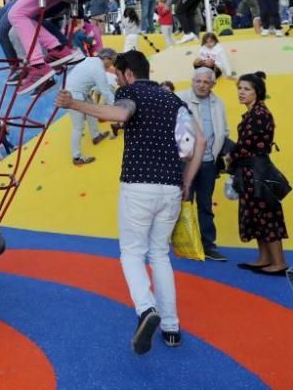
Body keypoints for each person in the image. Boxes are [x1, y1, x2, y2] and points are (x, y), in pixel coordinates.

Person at [56, 50, 205, 353]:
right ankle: (171, 326)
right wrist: (186, 182)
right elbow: (199, 142)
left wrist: (73, 103)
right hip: (172, 188)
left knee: (132, 253)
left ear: (127, 74)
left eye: (118, 74)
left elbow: (121, 114)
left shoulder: (130, 91)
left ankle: (146, 308)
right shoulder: (173, 99)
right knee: (160, 254)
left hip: (138, 185)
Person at [227, 72, 287, 275]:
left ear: (257, 92)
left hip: (257, 171)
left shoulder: (259, 114)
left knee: (267, 214)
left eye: (247, 89)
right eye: (240, 88)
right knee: (256, 214)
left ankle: (278, 263)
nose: (241, 92)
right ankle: (264, 259)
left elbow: (244, 146)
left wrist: (228, 159)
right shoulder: (254, 112)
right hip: (251, 170)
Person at [178, 68, 229, 262]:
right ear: (192, 81)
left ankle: (208, 245)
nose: (201, 85)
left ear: (213, 84)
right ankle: (184, 243)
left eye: (206, 82)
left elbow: (223, 130)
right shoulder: (180, 98)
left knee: (205, 205)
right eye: (198, 81)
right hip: (186, 162)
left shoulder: (218, 103)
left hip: (208, 163)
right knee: (182, 202)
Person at [64, 48, 116, 165]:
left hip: (78, 92)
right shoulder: (98, 69)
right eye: (112, 61)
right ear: (106, 59)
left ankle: (96, 135)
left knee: (92, 110)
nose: (112, 64)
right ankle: (76, 157)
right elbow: (105, 91)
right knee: (78, 127)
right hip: (72, 96)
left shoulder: (89, 60)